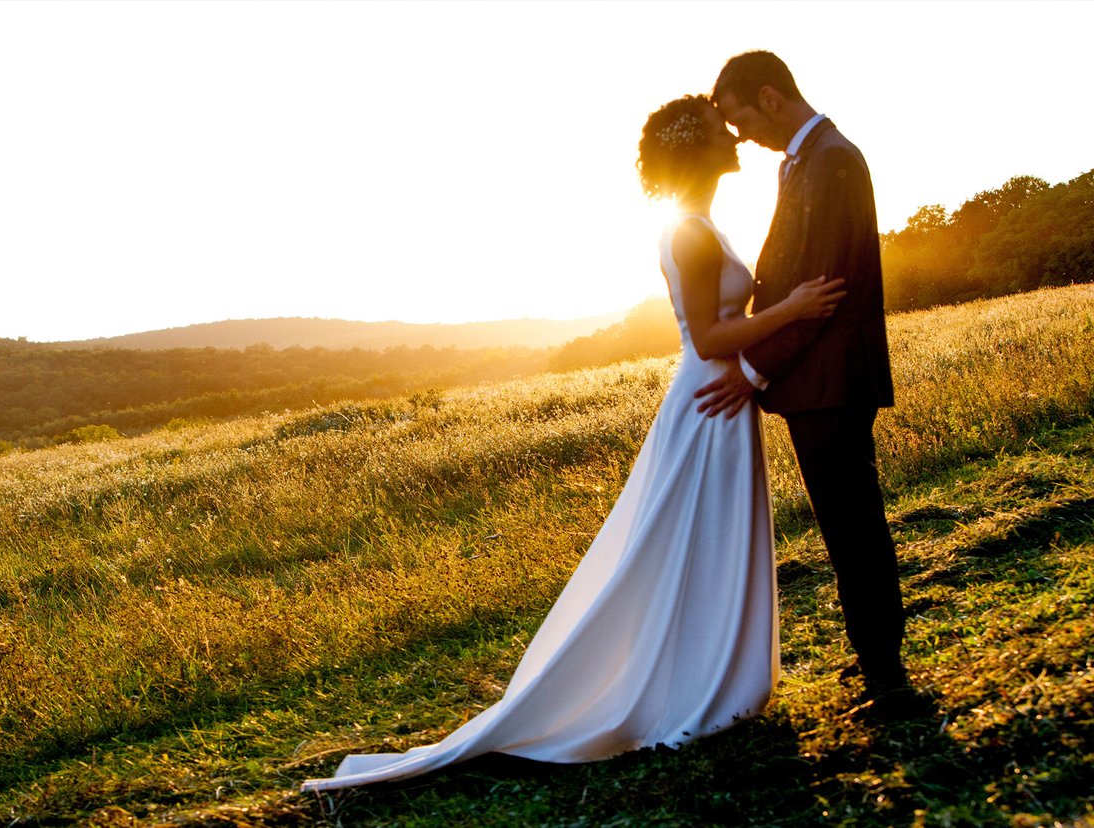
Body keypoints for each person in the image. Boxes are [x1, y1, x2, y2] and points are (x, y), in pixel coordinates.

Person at [300, 94, 845, 792]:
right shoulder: (689, 232)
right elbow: (706, 337)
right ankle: (683, 688)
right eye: (718, 130)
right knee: (684, 541)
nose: (733, 136)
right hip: (711, 395)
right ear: (694, 149)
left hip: (723, 396)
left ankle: (714, 675)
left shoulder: (702, 223)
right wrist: (790, 311)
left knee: (708, 539)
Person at [694, 51, 914, 712]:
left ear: (768, 97)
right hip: (818, 382)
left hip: (832, 381)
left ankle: (888, 676)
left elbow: (828, 290)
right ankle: (875, 655)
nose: (738, 137)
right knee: (846, 525)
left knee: (854, 526)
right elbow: (795, 284)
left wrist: (754, 370)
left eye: (737, 119)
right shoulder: (806, 161)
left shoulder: (832, 161)